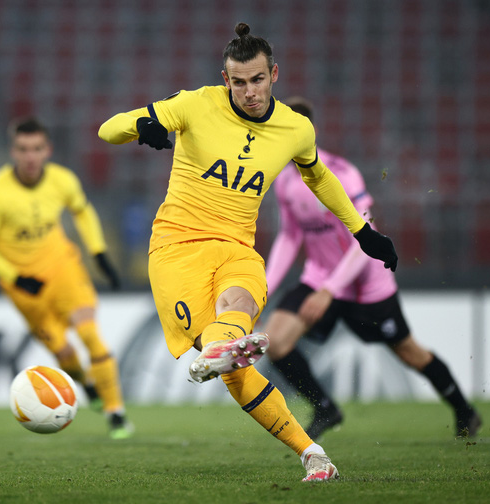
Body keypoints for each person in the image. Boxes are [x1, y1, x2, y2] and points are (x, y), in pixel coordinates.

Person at [99, 23, 397, 481]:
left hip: (237, 245)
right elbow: (107, 129)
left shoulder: (295, 129)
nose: (249, 91)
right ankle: (310, 450)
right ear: (225, 80)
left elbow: (317, 176)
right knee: (236, 372)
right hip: (176, 249)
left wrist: (361, 231)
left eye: (257, 80)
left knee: (237, 306)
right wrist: (142, 125)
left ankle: (224, 348)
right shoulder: (196, 104)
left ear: (274, 74)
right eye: (238, 82)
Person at [261, 96, 482, 440]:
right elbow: (290, 236)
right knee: (275, 342)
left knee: (410, 353)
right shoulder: (285, 182)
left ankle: (464, 410)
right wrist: (266, 287)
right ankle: (325, 408)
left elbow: (366, 240)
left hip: (364, 284)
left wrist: (329, 291)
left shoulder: (342, 173)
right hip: (320, 278)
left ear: (307, 132)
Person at [0, 117, 132, 439]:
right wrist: (16, 277)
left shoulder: (62, 180)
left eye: (37, 149)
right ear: (12, 151)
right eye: (23, 149)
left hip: (63, 270)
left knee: (90, 334)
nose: (30, 156)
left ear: (48, 150)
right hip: (25, 288)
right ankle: (85, 384)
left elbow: (82, 211)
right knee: (64, 354)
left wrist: (98, 253)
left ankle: (116, 414)